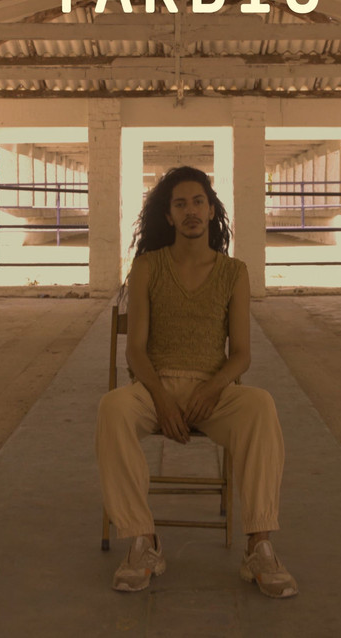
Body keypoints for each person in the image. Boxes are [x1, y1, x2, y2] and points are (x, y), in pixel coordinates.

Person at [96, 166, 298, 598]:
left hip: (214, 393)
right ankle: (144, 540)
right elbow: (136, 351)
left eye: (198, 202)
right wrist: (162, 399)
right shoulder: (147, 267)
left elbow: (241, 353)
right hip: (154, 390)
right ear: (168, 215)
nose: (190, 211)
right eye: (180, 203)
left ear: (211, 210)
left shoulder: (234, 272)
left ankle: (259, 545)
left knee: (260, 405)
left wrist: (211, 388)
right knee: (112, 408)